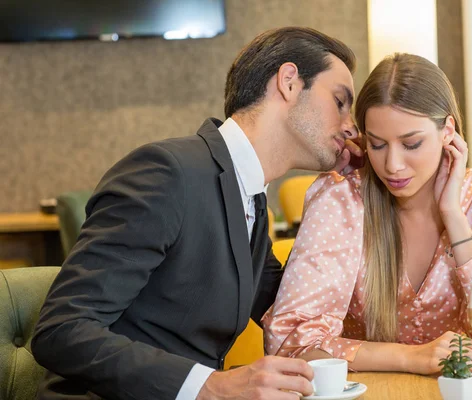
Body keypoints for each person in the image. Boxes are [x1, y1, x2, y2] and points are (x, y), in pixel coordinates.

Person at [31, 27, 362, 400]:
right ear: (288, 82)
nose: (351, 126)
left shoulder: (252, 199)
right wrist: (211, 386)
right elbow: (61, 331)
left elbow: (295, 310)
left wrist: (367, 190)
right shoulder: (167, 173)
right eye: (340, 102)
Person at [263, 53, 472, 377]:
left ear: (447, 132)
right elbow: (290, 345)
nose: (393, 165)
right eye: (377, 145)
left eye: (411, 144)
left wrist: (453, 216)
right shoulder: (341, 198)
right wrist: (411, 358)